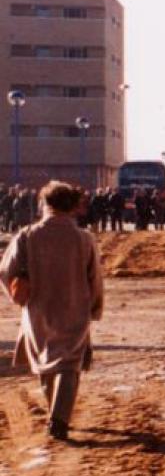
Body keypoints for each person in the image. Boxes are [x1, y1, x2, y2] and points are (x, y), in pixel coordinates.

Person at [1, 182, 104, 440]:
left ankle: (56, 414)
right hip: (75, 307)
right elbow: (95, 279)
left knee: (45, 361)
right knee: (69, 364)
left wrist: (19, 297)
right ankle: (58, 418)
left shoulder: (27, 235)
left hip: (38, 309)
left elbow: (6, 271)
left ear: (45, 204)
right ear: (72, 206)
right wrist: (94, 307)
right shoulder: (84, 239)